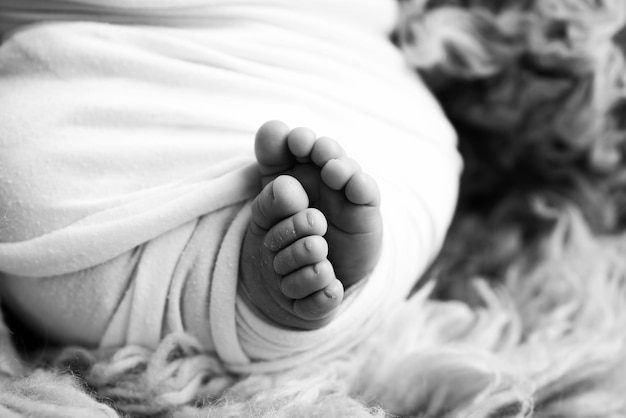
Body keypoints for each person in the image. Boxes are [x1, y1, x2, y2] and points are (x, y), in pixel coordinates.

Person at [0, 0, 461, 373]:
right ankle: (258, 297)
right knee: (402, 167)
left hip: (346, 64)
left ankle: (262, 293)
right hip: (107, 47)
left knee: (415, 159)